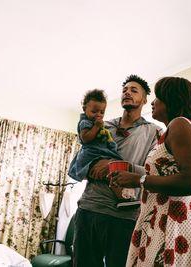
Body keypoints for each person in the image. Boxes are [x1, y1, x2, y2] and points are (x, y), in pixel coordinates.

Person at [109, 77, 191, 266]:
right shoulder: (184, 128)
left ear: (171, 99)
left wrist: (139, 180)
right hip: (164, 218)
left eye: (158, 98)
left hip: (172, 221)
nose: (153, 103)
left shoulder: (180, 124)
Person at [71, 75, 162, 267]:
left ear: (145, 100)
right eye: (124, 90)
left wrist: (119, 167)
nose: (127, 92)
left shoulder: (154, 132)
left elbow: (154, 172)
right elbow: (81, 159)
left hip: (125, 217)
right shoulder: (101, 125)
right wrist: (94, 167)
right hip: (89, 209)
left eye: (134, 90)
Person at [69, 89, 135, 200]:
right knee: (111, 171)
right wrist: (96, 127)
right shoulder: (85, 122)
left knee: (114, 171)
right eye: (94, 112)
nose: (98, 115)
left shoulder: (99, 123)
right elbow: (85, 139)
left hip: (100, 153)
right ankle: (122, 197)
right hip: (91, 154)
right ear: (85, 109)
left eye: (101, 112)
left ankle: (125, 195)